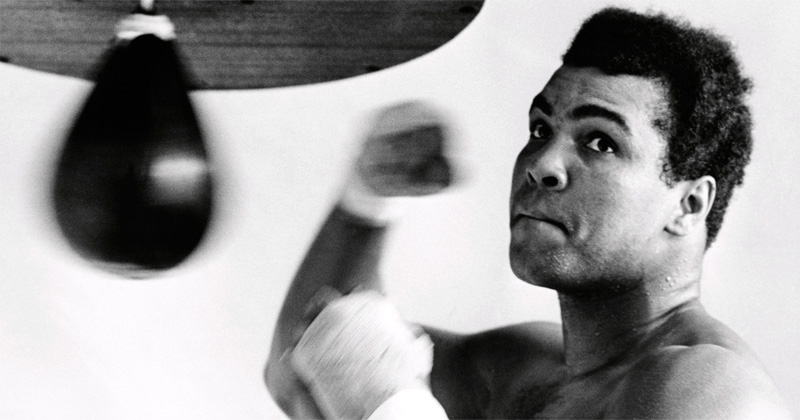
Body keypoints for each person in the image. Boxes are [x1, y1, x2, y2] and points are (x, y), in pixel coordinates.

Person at [265, 7, 791, 419]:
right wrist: (367, 201)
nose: (542, 164)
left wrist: (397, 409)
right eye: (541, 129)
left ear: (689, 204)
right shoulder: (522, 372)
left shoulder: (712, 389)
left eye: (601, 142)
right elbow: (305, 364)